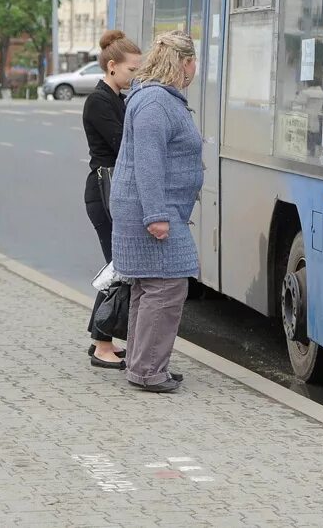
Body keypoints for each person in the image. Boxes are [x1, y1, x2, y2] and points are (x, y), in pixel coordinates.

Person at [110, 31, 202, 393]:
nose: (195, 70)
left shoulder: (156, 99)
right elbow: (148, 164)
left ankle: (143, 364)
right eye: (194, 63)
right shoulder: (154, 104)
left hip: (155, 209)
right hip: (151, 212)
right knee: (166, 287)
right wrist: (156, 216)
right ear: (184, 63)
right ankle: (148, 370)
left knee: (150, 287)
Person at [82, 29, 142, 368]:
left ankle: (101, 340)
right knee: (118, 270)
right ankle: (103, 344)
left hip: (111, 190)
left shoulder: (116, 98)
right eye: (132, 70)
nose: (136, 76)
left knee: (117, 267)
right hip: (104, 191)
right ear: (112, 67)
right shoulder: (100, 101)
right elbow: (123, 146)